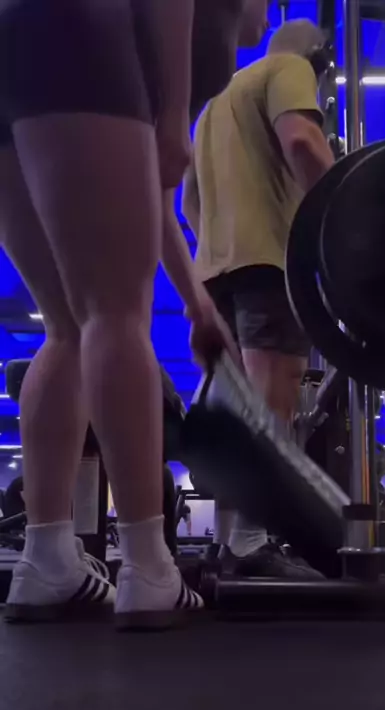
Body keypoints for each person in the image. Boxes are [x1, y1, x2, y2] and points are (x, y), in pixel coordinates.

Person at [0, 0, 266, 629]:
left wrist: (198, 304)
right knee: (116, 315)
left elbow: (152, 196)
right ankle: (148, 565)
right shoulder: (191, 39)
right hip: (74, 29)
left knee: (67, 325)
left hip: (16, 38)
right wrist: (172, 117)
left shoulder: (201, 42)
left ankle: (46, 559)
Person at [182, 19, 335, 577]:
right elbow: (302, 141)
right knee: (272, 400)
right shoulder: (291, 68)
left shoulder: (216, 104)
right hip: (270, 261)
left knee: (239, 410)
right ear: (320, 58)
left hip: (217, 269)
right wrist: (344, 216)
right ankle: (250, 543)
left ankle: (230, 544)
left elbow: (190, 200)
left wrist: (219, 240)